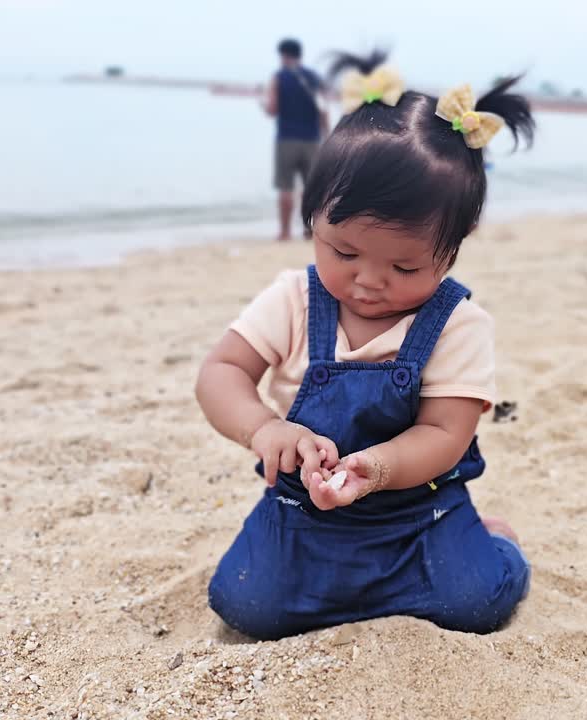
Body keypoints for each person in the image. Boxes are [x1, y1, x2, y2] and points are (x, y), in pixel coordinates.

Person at [198, 50, 534, 641]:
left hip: (417, 512)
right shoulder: (295, 300)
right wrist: (265, 430)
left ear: (453, 248)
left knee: (476, 603)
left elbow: (443, 435)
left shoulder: (458, 324)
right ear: (313, 220)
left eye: (404, 266)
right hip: (303, 514)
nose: (369, 280)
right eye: (344, 252)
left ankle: (496, 541)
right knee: (245, 603)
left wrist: (375, 468)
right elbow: (222, 371)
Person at [264, 38, 329, 240]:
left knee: (286, 188)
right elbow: (323, 109)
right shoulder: (313, 78)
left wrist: (264, 106)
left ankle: (284, 232)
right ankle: (309, 230)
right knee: (311, 188)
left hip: (286, 138)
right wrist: (327, 135)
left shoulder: (279, 77)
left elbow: (272, 109)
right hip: (311, 139)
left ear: (283, 55)